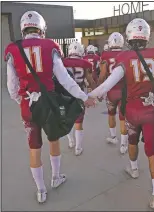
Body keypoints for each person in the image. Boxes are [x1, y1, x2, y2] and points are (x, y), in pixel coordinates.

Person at [4, 11, 95, 203]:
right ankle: (55, 177)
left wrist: (21, 101)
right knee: (54, 140)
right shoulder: (50, 46)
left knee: (34, 147)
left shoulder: (13, 48)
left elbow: (11, 86)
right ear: (41, 27)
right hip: (49, 103)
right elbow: (65, 79)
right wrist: (83, 96)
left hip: (28, 104)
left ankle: (40, 190)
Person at [88, 18, 154, 209]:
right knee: (153, 152)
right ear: (146, 36)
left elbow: (107, 84)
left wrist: (89, 96)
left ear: (129, 36)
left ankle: (133, 169)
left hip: (133, 111)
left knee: (132, 141)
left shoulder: (124, 58)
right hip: (152, 110)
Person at [63, 41, 96, 156]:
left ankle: (71, 141)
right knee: (79, 122)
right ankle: (78, 147)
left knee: (67, 119)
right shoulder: (85, 63)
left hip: (65, 95)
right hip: (80, 95)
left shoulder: (63, 62)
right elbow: (90, 81)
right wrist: (96, 92)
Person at [98, 32, 128, 154]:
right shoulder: (126, 54)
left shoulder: (105, 55)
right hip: (124, 90)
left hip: (111, 91)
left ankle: (113, 137)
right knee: (123, 117)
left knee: (111, 114)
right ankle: (123, 144)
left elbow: (103, 74)